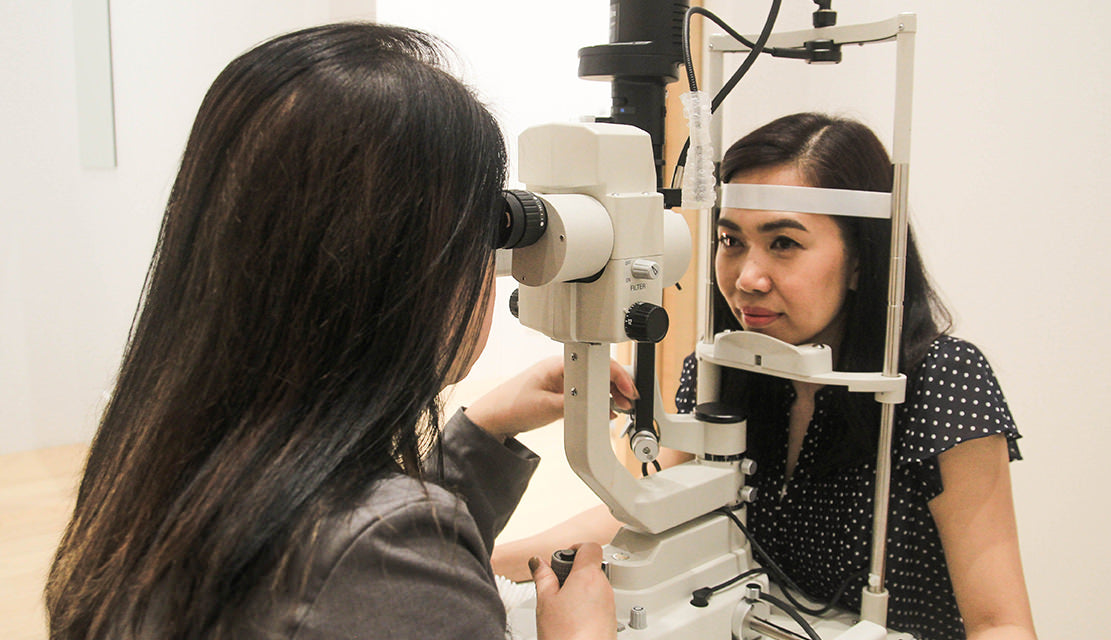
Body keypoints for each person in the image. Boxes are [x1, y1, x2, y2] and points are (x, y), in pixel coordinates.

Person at [44, 23, 632, 640]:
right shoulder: (378, 557)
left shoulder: (154, 457)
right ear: (406, 265)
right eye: (484, 232)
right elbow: (379, 564)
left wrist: (482, 435)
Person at [493, 113, 1037, 640]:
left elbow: (1001, 624)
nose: (748, 278)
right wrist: (486, 561)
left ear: (860, 261)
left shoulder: (940, 380)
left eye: (784, 244)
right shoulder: (723, 366)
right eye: (731, 241)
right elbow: (651, 512)